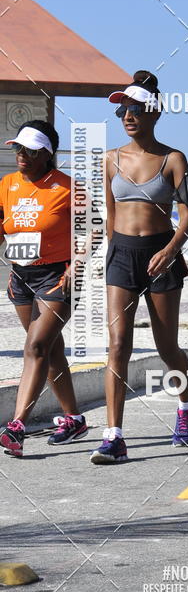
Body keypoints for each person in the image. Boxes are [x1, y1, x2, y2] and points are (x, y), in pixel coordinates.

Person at [90, 70, 188, 464]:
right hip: (122, 256)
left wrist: (170, 250)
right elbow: (109, 214)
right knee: (118, 344)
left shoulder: (174, 159)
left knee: (166, 347)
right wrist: (99, 253)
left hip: (161, 255)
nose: (128, 116)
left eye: (136, 109)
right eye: (122, 111)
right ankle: (113, 435)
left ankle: (186, 405)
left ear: (156, 112)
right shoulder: (109, 159)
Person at [0, 121, 88, 458]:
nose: (21, 154)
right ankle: (73, 418)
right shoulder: (6, 185)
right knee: (49, 350)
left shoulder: (67, 188)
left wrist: (75, 266)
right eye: (18, 148)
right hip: (21, 277)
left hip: (58, 276)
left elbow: (93, 229)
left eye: (29, 149)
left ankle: (17, 425)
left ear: (46, 154)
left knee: (35, 346)